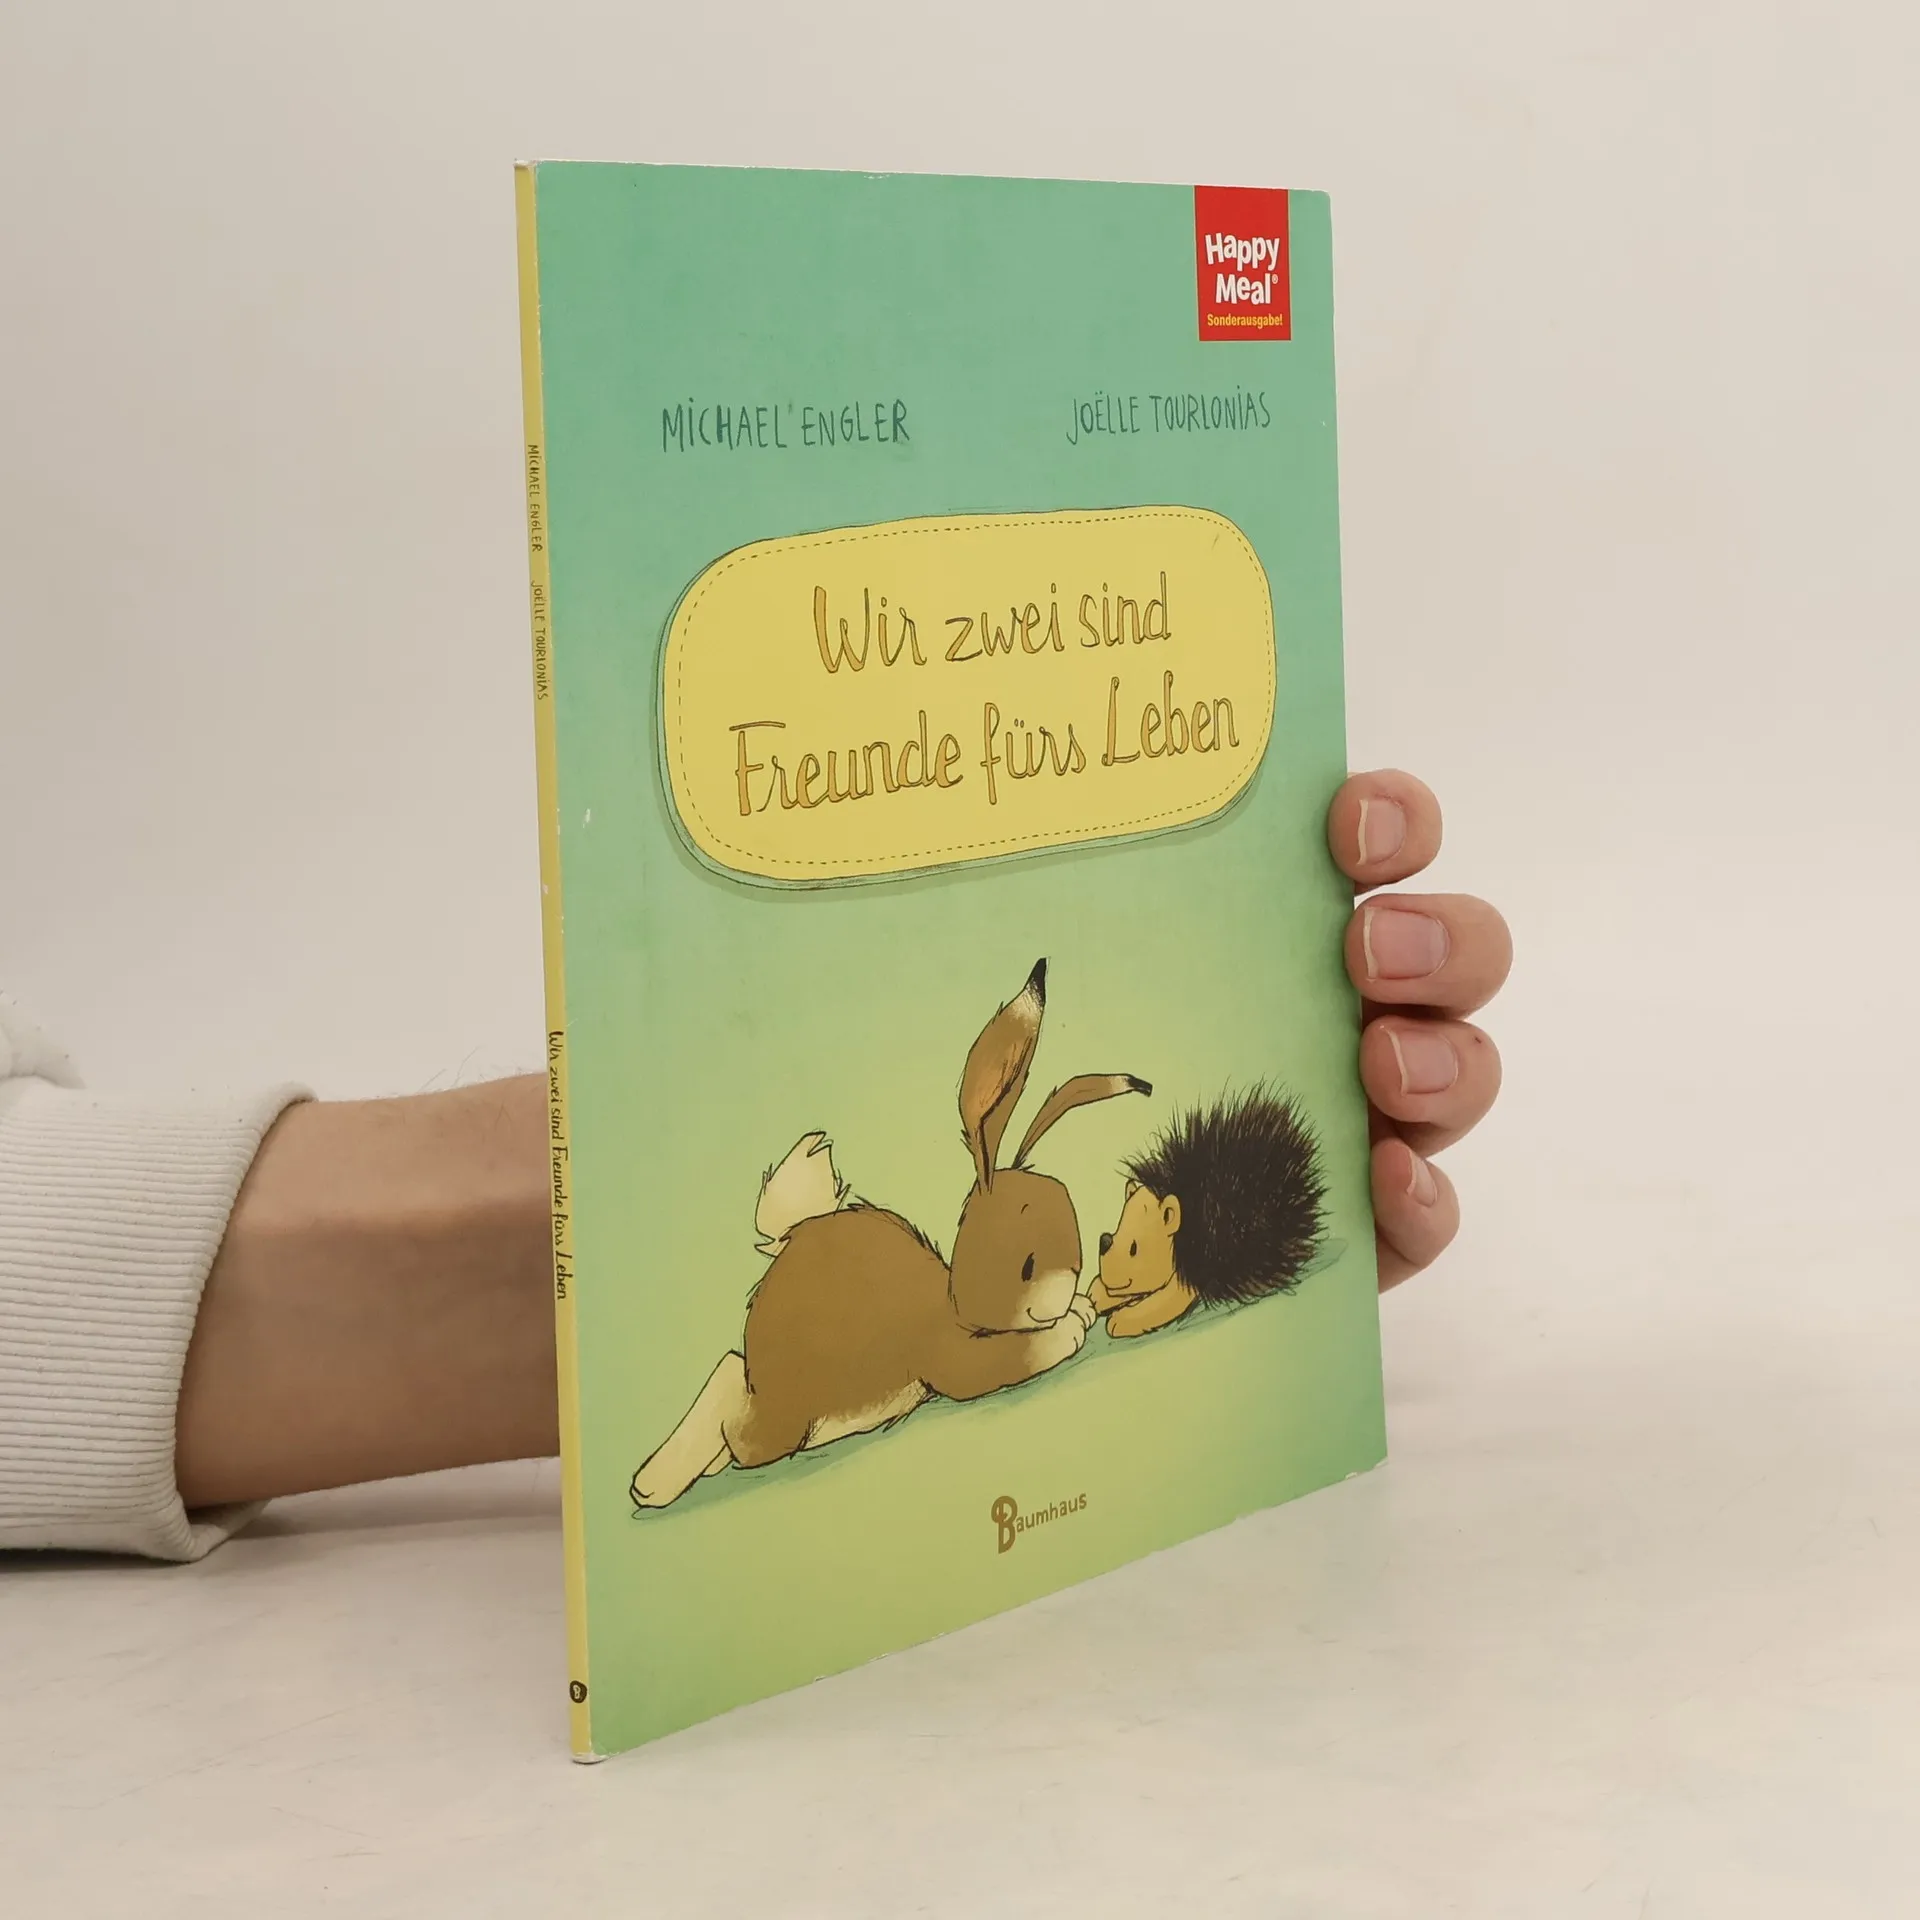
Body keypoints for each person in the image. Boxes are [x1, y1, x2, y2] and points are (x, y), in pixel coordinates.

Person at [0, 770, 1508, 1560]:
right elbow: (980, 1347)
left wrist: (585, 1217)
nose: (1090, 1280)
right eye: (1101, 1252)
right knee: (773, 1408)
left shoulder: (1020, 1261)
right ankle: (732, 1357)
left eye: (1103, 1253)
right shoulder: (974, 1313)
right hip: (810, 1327)